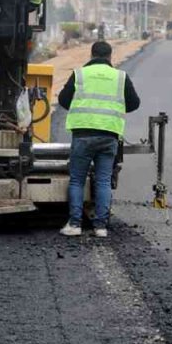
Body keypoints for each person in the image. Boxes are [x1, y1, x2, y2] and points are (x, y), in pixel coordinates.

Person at [57, 39, 140, 238]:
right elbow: (134, 103)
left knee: (77, 180)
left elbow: (62, 99)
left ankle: (75, 224)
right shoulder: (120, 77)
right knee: (103, 181)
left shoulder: (80, 74)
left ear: (91, 55)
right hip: (109, 135)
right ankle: (101, 227)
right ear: (110, 57)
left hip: (83, 134)